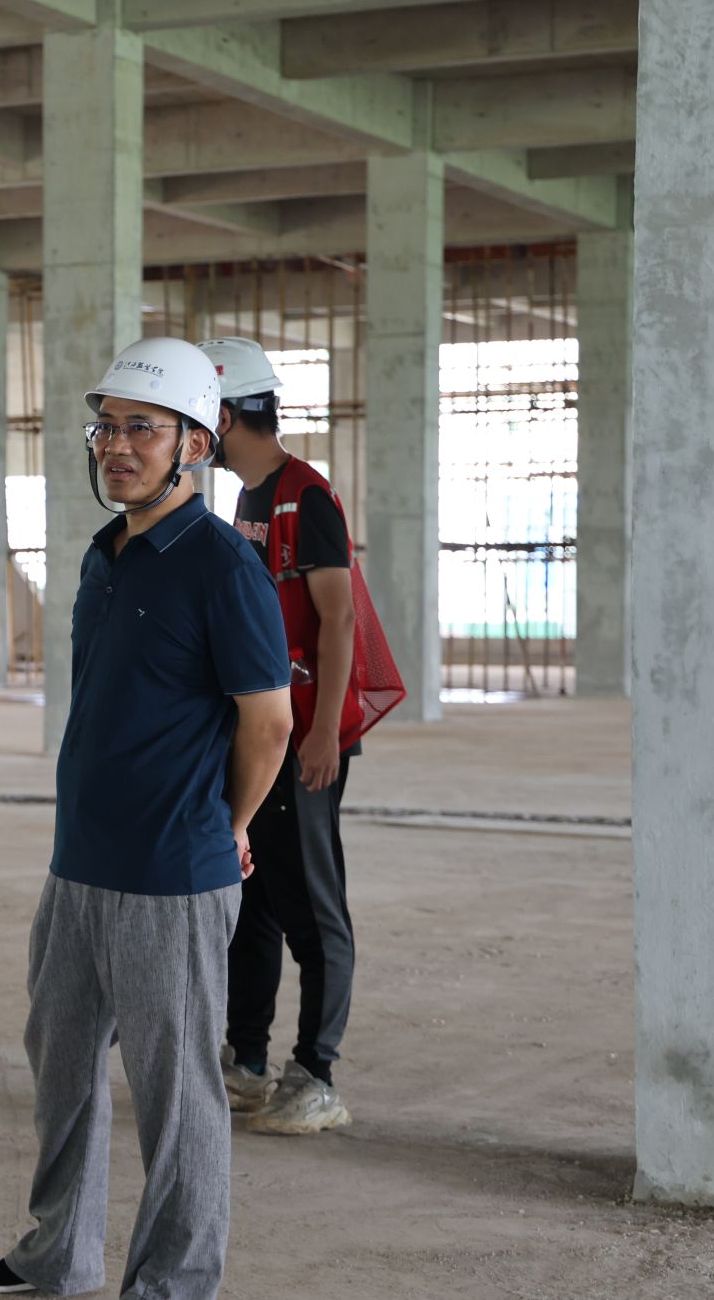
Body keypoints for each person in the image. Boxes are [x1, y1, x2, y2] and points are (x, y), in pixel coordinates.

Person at [0, 337, 293, 1298]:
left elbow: (269, 722)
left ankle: (173, 1283)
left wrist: (229, 823)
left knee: (176, 1094)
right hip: (80, 864)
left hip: (171, 874)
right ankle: (58, 1255)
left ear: (196, 443)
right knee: (62, 1067)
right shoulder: (105, 554)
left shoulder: (223, 567)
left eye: (142, 428)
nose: (116, 445)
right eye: (107, 426)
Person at [205, 336, 403, 1135]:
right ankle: (247, 1061)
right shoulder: (250, 499)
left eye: (196, 418)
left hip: (306, 737)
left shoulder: (304, 496)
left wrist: (323, 734)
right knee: (253, 895)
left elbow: (338, 616)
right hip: (264, 732)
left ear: (224, 416)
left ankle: (316, 1074)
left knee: (313, 907)